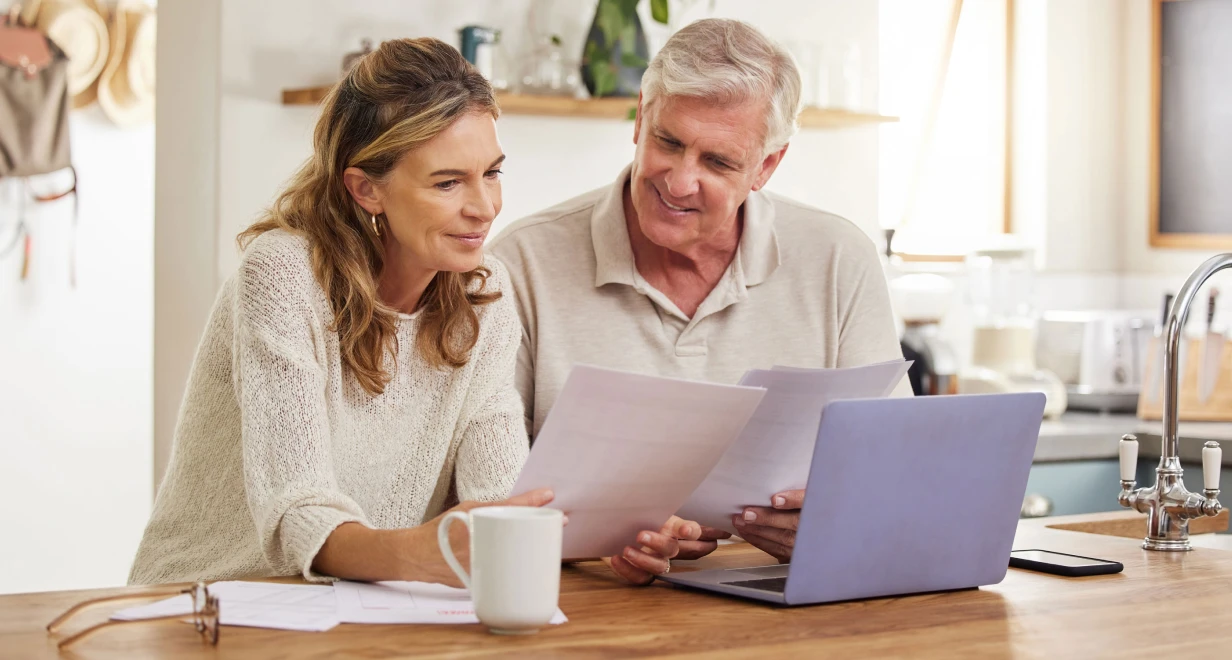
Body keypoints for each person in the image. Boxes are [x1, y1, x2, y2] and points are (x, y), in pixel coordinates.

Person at [129, 38, 689, 586]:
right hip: (206, 603)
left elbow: (501, 493)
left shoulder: (483, 292)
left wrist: (597, 538)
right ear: (366, 189)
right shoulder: (283, 276)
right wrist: (417, 555)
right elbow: (297, 511)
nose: (484, 207)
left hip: (361, 613)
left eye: (492, 173)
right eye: (448, 183)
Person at [490, 19, 909, 570]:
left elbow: (895, 466)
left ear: (765, 167)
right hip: (584, 603)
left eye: (717, 162)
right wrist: (595, 536)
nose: (680, 181)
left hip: (780, 597)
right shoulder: (522, 261)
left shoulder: (838, 259)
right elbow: (488, 487)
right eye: (669, 141)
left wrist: (840, 517)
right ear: (640, 118)